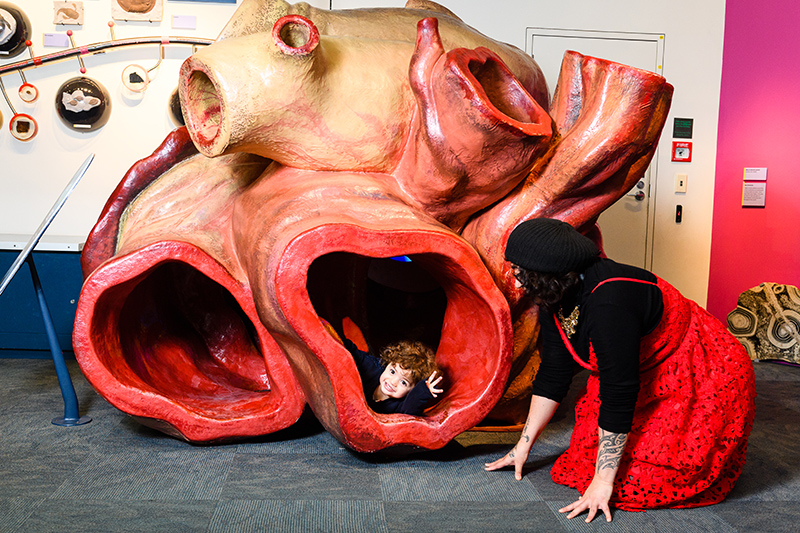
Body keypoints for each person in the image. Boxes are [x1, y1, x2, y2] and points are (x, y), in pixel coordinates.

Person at [484, 218, 755, 523]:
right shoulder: (554, 294)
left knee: (645, 482)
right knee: (581, 465)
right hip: (637, 365)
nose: (518, 283)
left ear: (548, 275)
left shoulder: (608, 303)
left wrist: (603, 483)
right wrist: (523, 447)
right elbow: (554, 374)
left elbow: (619, 391)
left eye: (524, 274)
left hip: (700, 369)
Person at [329, 318, 444, 415]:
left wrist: (422, 390)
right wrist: (334, 336)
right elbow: (356, 355)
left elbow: (411, 408)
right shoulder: (375, 368)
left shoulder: (400, 406)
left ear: (411, 391)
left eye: (403, 382)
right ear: (388, 363)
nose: (393, 382)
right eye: (393, 372)